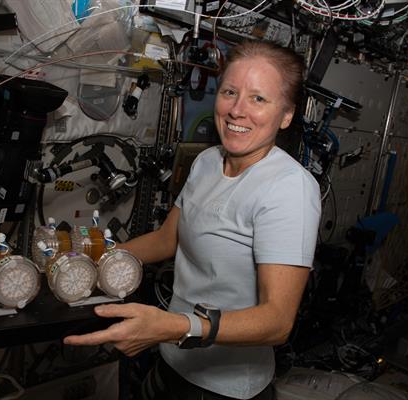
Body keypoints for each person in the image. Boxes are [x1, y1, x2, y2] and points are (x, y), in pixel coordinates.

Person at [64, 40, 321, 400]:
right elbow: (168, 239)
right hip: (171, 362)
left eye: (258, 99)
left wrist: (171, 326)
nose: (237, 110)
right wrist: (90, 262)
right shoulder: (206, 162)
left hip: (224, 389)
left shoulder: (289, 187)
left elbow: (277, 322)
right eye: (230, 92)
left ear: (288, 114)